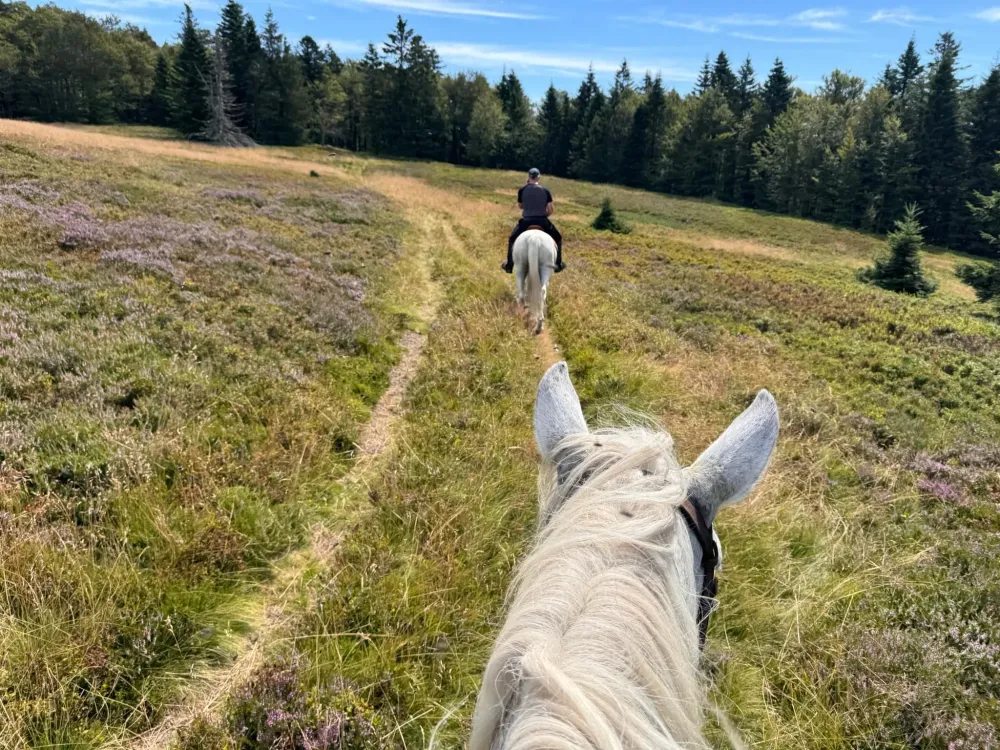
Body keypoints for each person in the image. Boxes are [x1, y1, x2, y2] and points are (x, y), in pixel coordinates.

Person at [502, 168, 565, 274]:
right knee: (558, 238)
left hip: (526, 221)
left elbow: (520, 206)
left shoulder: (522, 190)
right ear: (538, 177)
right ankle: (558, 264)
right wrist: (544, 215)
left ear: (529, 176)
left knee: (512, 239)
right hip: (542, 221)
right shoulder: (545, 191)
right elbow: (550, 209)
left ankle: (509, 265)